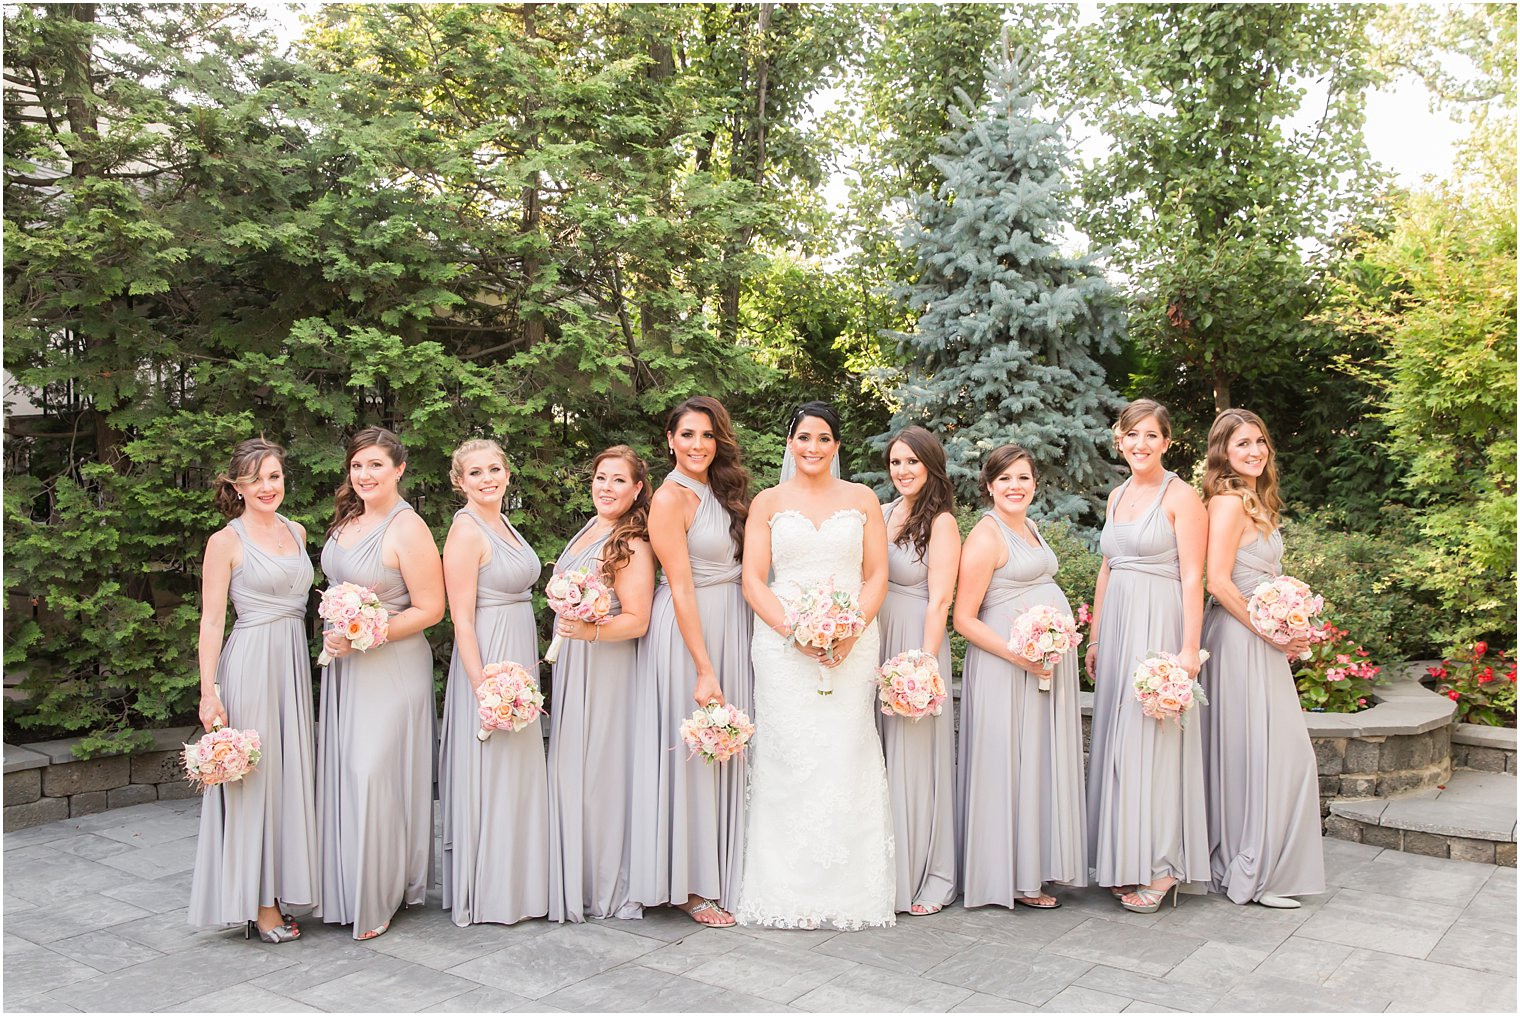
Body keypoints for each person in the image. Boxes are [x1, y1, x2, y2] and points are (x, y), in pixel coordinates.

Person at [734, 402, 895, 931]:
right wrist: (793, 632)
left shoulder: (863, 499)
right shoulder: (768, 502)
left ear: (837, 446)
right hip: (783, 646)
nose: (813, 447)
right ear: (790, 442)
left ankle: (851, 890)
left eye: (824, 438)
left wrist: (849, 630)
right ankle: (784, 888)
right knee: (789, 753)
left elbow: (876, 577)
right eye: (804, 437)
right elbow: (754, 580)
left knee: (846, 750)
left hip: (852, 641)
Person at [315, 426, 444, 940]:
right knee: (349, 771)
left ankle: (380, 894)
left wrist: (368, 631)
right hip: (349, 667)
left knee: (374, 774)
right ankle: (349, 885)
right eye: (357, 466)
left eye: (375, 465)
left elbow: (432, 608)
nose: (365, 475)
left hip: (391, 664)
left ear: (399, 470)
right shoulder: (348, 519)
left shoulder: (408, 527)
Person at [188, 438, 318, 943]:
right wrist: (209, 690)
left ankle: (283, 886)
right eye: (256, 478)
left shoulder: (298, 530)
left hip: (290, 664)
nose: (268, 487)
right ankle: (260, 903)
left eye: (275, 476)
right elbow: (212, 619)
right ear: (237, 486)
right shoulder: (226, 541)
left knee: (288, 777)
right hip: (249, 663)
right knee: (255, 781)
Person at [630, 397, 754, 926]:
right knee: (695, 750)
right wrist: (704, 667)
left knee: (729, 746)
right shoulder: (669, 498)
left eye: (707, 435)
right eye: (687, 435)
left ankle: (727, 867)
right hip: (690, 631)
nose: (697, 445)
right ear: (669, 440)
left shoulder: (722, 491)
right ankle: (689, 883)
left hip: (733, 620)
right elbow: (679, 588)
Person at [1085, 399, 1211, 913]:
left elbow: (1193, 576)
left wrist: (1187, 649)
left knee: (1155, 742)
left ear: (1167, 442)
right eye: (1132, 434)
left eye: (1151, 436)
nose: (1141, 444)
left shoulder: (1183, 498)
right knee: (1118, 744)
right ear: (1120, 439)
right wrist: (1094, 639)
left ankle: (1162, 868)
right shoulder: (1116, 495)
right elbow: (1107, 568)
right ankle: (1125, 858)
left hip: (1159, 623)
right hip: (1116, 626)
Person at [1198, 409, 1326, 909]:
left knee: (1269, 753)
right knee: (1266, 753)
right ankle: (1251, 868)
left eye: (1260, 442)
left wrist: (1291, 625)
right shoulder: (1228, 503)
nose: (1254, 451)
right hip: (1239, 639)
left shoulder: (1259, 502)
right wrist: (1270, 631)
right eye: (1241, 444)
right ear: (1223, 453)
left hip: (1262, 641)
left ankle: (1255, 864)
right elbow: (1218, 582)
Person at [954, 445, 1088, 910]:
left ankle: (1032, 866)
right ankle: (1008, 876)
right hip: (1006, 670)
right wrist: (1020, 656)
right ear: (989, 485)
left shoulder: (1028, 526)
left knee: (1035, 762)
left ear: (1035, 484)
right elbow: (965, 619)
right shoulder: (986, 537)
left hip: (1040, 667)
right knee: (1008, 762)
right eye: (1006, 478)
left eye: (1024, 478)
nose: (1016, 486)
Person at [438, 439, 549, 926]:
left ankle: (523, 886)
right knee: (494, 768)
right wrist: (482, 684)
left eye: (495, 469)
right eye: (476, 473)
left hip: (519, 648)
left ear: (507, 473)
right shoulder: (465, 531)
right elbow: (460, 619)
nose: (488, 479)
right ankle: (492, 891)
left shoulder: (502, 522)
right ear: (459, 481)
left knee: (518, 769)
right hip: (488, 657)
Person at [547, 446, 656, 923]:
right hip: (577, 662)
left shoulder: (631, 542)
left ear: (636, 490)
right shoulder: (591, 529)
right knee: (578, 765)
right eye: (599, 477)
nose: (605, 487)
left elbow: (636, 620)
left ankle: (605, 880)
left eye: (617, 481)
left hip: (608, 666)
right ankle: (575, 872)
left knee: (602, 771)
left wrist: (589, 629)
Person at [875, 426, 959, 916]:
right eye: (896, 463)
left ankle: (929, 874)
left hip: (914, 642)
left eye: (912, 462)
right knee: (881, 759)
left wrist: (923, 667)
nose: (902, 471)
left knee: (913, 758)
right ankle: (883, 870)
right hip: (876, 640)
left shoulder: (941, 523)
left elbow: (941, 599)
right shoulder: (883, 513)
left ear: (930, 465)